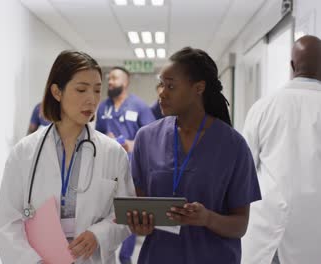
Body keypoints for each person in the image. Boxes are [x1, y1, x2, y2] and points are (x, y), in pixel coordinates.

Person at [0, 50, 135, 264]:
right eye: (81, 89)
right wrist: (33, 261)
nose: (92, 99)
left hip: (91, 258)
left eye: (97, 90)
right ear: (57, 92)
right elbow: (6, 222)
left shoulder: (112, 153)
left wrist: (99, 234)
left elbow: (125, 215)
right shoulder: (24, 152)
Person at [126, 47, 261, 264]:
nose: (161, 92)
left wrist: (207, 218)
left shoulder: (233, 146)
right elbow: (138, 206)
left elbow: (240, 225)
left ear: (198, 88)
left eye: (171, 86)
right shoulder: (147, 138)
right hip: (158, 257)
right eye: (161, 84)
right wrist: (138, 224)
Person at [241, 35, 321, 264]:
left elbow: (244, 171)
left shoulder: (264, 107)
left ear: (292, 66)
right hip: (315, 231)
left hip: (269, 226)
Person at [95, 66, 155, 263]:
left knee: (130, 210)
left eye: (114, 78)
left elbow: (153, 137)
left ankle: (126, 256)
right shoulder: (103, 107)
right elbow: (97, 135)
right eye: (109, 78)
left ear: (126, 82)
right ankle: (106, 252)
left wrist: (131, 143)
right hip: (106, 167)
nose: (110, 82)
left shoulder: (138, 106)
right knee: (105, 210)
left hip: (131, 166)